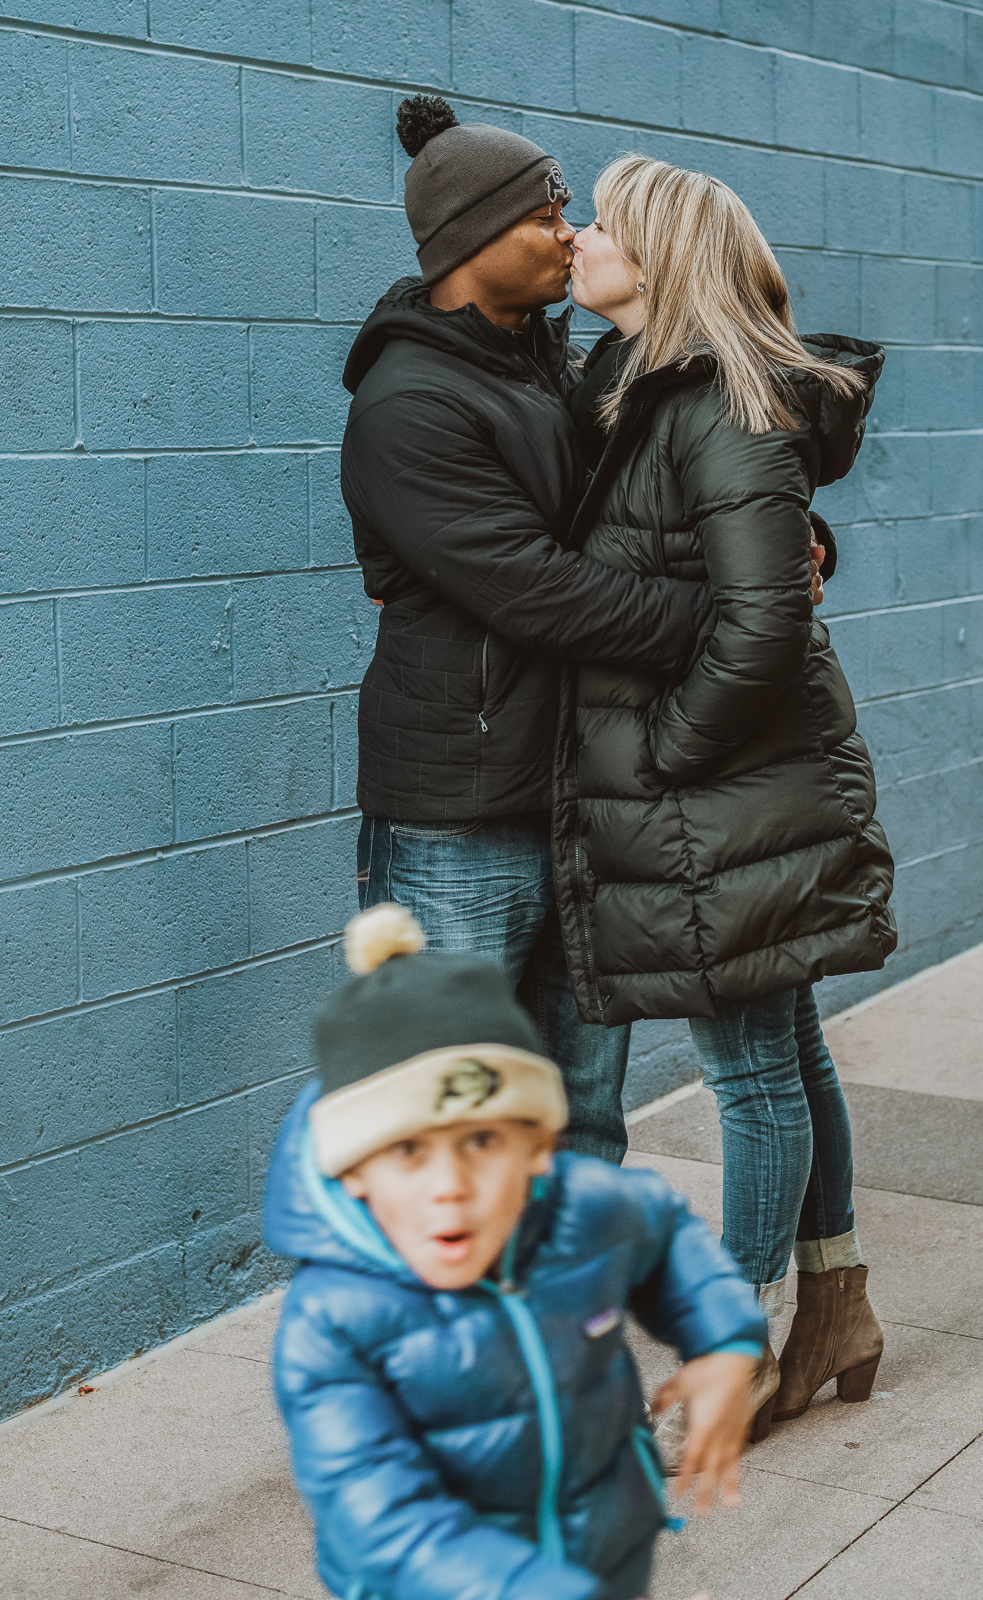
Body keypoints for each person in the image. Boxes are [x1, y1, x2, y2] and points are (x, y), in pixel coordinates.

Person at [341, 96, 822, 1167]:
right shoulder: (409, 401)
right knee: (456, 1122)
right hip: (459, 817)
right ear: (471, 242)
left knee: (580, 1123)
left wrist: (793, 538)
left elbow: (653, 491)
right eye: (547, 213)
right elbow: (543, 590)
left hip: (571, 798)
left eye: (567, 210)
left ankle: (567, 1327)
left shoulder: (550, 363)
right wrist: (735, 613)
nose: (571, 231)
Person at [558, 154, 895, 1435]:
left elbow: (760, 624)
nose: (580, 237)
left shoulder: (720, 402)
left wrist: (667, 757)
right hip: (721, 785)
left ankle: (733, 1349)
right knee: (785, 1050)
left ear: (660, 256)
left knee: (747, 1074)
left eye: (603, 220)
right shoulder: (637, 383)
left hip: (718, 788)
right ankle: (838, 1303)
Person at [264, 902, 768, 1600]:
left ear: (535, 1148)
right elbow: (382, 1524)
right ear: (352, 1170)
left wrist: (725, 1344)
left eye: (482, 1142)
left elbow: (668, 1231)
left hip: (604, 1557)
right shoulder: (334, 1321)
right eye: (408, 1151)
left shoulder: (578, 1206)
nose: (452, 1188)